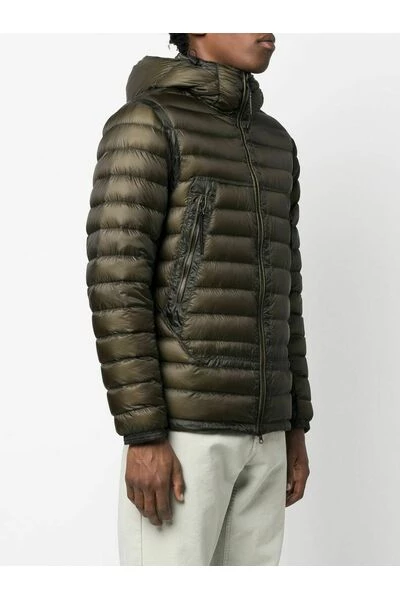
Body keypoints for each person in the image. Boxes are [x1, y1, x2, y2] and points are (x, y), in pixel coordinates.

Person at [85, 33, 314, 566]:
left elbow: (288, 290)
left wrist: (294, 420)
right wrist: (144, 434)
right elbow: (116, 284)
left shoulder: (275, 142)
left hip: (266, 431)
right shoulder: (147, 123)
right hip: (182, 433)